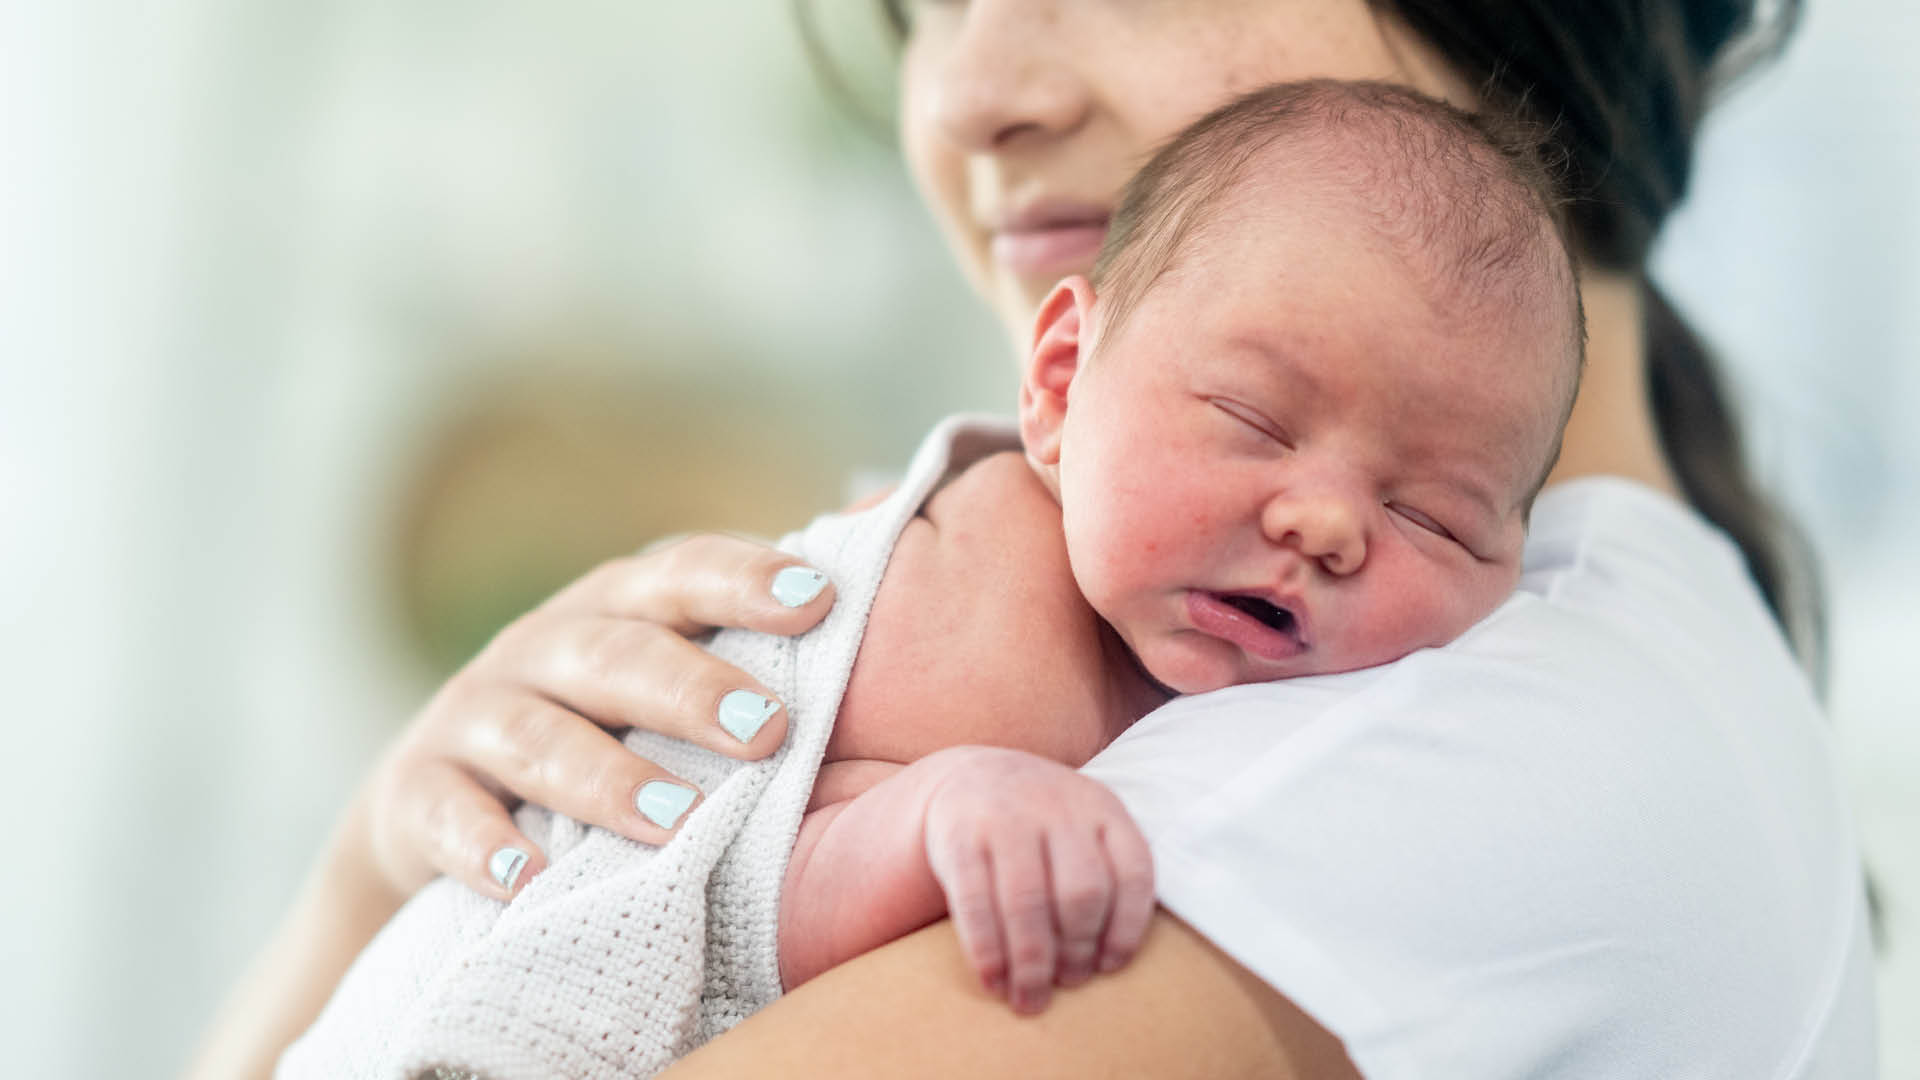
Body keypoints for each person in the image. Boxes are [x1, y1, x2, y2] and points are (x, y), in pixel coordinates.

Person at [187, 3, 1877, 1078]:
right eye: (922, 3)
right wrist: (379, 875)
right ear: (1063, 375)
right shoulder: (1134, 607)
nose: (971, 89)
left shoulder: (1480, 737)